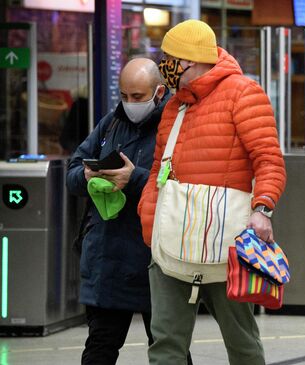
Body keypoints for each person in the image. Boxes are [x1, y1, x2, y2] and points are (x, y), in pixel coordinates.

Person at [138, 20, 286, 365]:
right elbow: (160, 170)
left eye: (169, 58)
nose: (164, 66)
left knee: (242, 343)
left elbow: (268, 160)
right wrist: (149, 224)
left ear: (190, 60)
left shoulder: (243, 93)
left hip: (228, 246)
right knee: (165, 344)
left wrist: (262, 208)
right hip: (170, 243)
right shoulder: (175, 106)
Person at [66, 58, 171, 365]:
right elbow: (73, 171)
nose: (129, 104)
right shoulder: (109, 124)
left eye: (137, 97)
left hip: (155, 261)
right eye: (124, 96)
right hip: (108, 259)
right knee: (100, 347)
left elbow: (182, 184)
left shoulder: (175, 128)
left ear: (159, 92)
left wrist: (134, 178)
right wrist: (86, 177)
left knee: (168, 347)